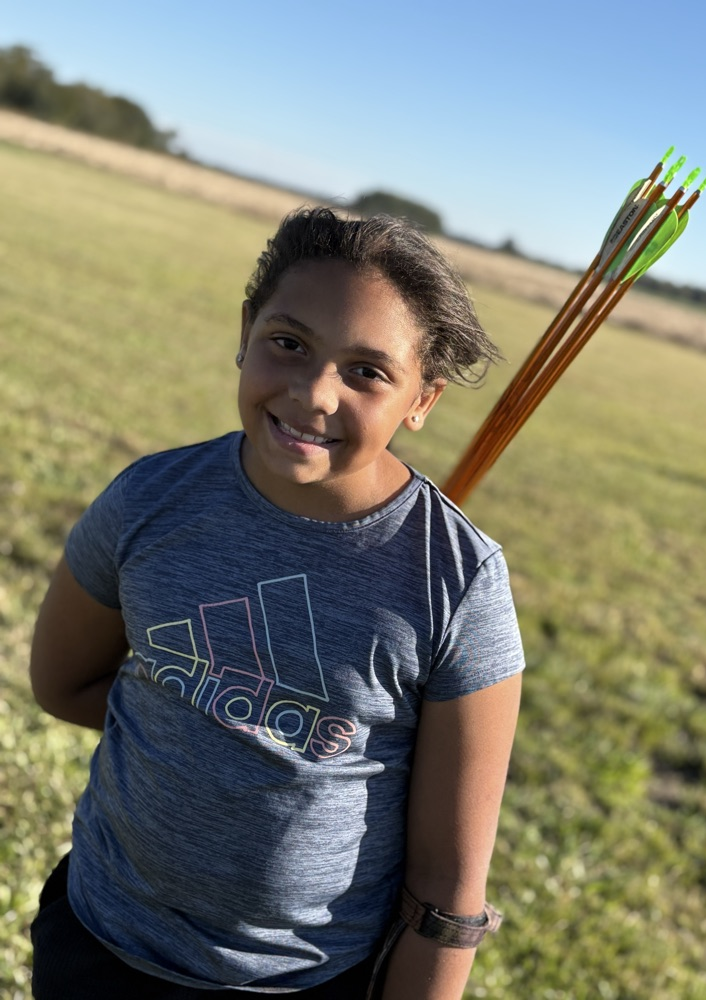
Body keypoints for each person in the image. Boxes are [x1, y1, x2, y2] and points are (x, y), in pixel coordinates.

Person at [29, 207, 525, 999]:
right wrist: (211, 739)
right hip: (99, 942)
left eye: (367, 372)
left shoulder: (455, 580)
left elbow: (446, 888)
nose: (313, 393)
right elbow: (63, 683)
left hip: (304, 983)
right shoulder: (149, 501)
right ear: (246, 330)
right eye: (288, 343)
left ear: (423, 398)